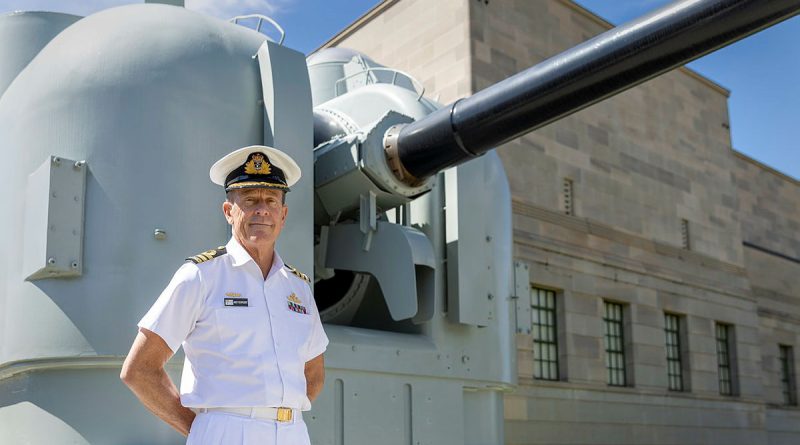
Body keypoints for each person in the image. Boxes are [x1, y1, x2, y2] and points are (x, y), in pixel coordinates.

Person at [121, 145, 328, 445]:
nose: (262, 210)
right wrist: (203, 430)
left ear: (283, 215)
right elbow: (139, 370)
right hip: (225, 432)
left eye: (271, 200)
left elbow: (314, 374)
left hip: (292, 433)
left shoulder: (298, 288)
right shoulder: (201, 276)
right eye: (250, 200)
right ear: (229, 212)